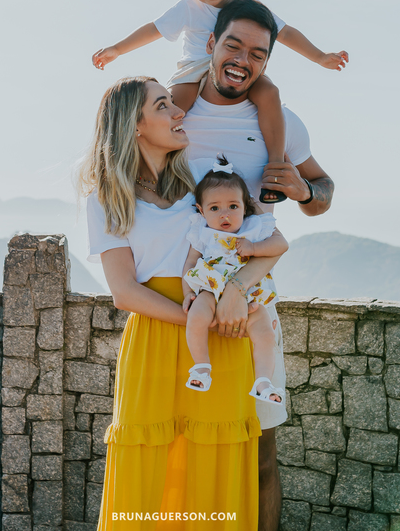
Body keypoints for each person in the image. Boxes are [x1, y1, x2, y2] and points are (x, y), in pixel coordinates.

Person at [80, 75, 287, 529]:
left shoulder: (204, 175)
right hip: (160, 334)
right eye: (163, 106)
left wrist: (233, 295)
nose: (178, 113)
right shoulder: (106, 199)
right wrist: (199, 318)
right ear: (133, 126)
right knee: (151, 468)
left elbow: (265, 242)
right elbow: (124, 291)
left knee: (216, 457)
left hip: (227, 329)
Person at [180, 0, 336, 531]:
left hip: (253, 297)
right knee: (185, 449)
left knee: (260, 446)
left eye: (258, 54)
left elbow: (323, 194)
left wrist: (304, 188)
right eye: (233, 45)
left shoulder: (282, 124)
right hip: (188, 299)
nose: (243, 60)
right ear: (210, 45)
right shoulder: (173, 113)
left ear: (267, 62)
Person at [90, 0, 348, 203]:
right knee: (170, 113)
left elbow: (284, 32)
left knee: (270, 94)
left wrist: (320, 57)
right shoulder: (188, 8)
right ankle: (137, 171)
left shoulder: (250, 6)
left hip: (241, 74)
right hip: (192, 71)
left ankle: (275, 169)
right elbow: (153, 29)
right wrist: (117, 49)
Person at [182, 157, 287, 404]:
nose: (224, 214)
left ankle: (263, 381)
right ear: (201, 210)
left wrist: (255, 247)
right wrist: (187, 292)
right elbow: (189, 264)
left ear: (245, 207)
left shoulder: (254, 228)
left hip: (249, 293)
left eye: (233, 206)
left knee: (264, 333)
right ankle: (201, 366)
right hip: (210, 288)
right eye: (215, 208)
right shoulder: (202, 231)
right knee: (196, 316)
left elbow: (281, 245)